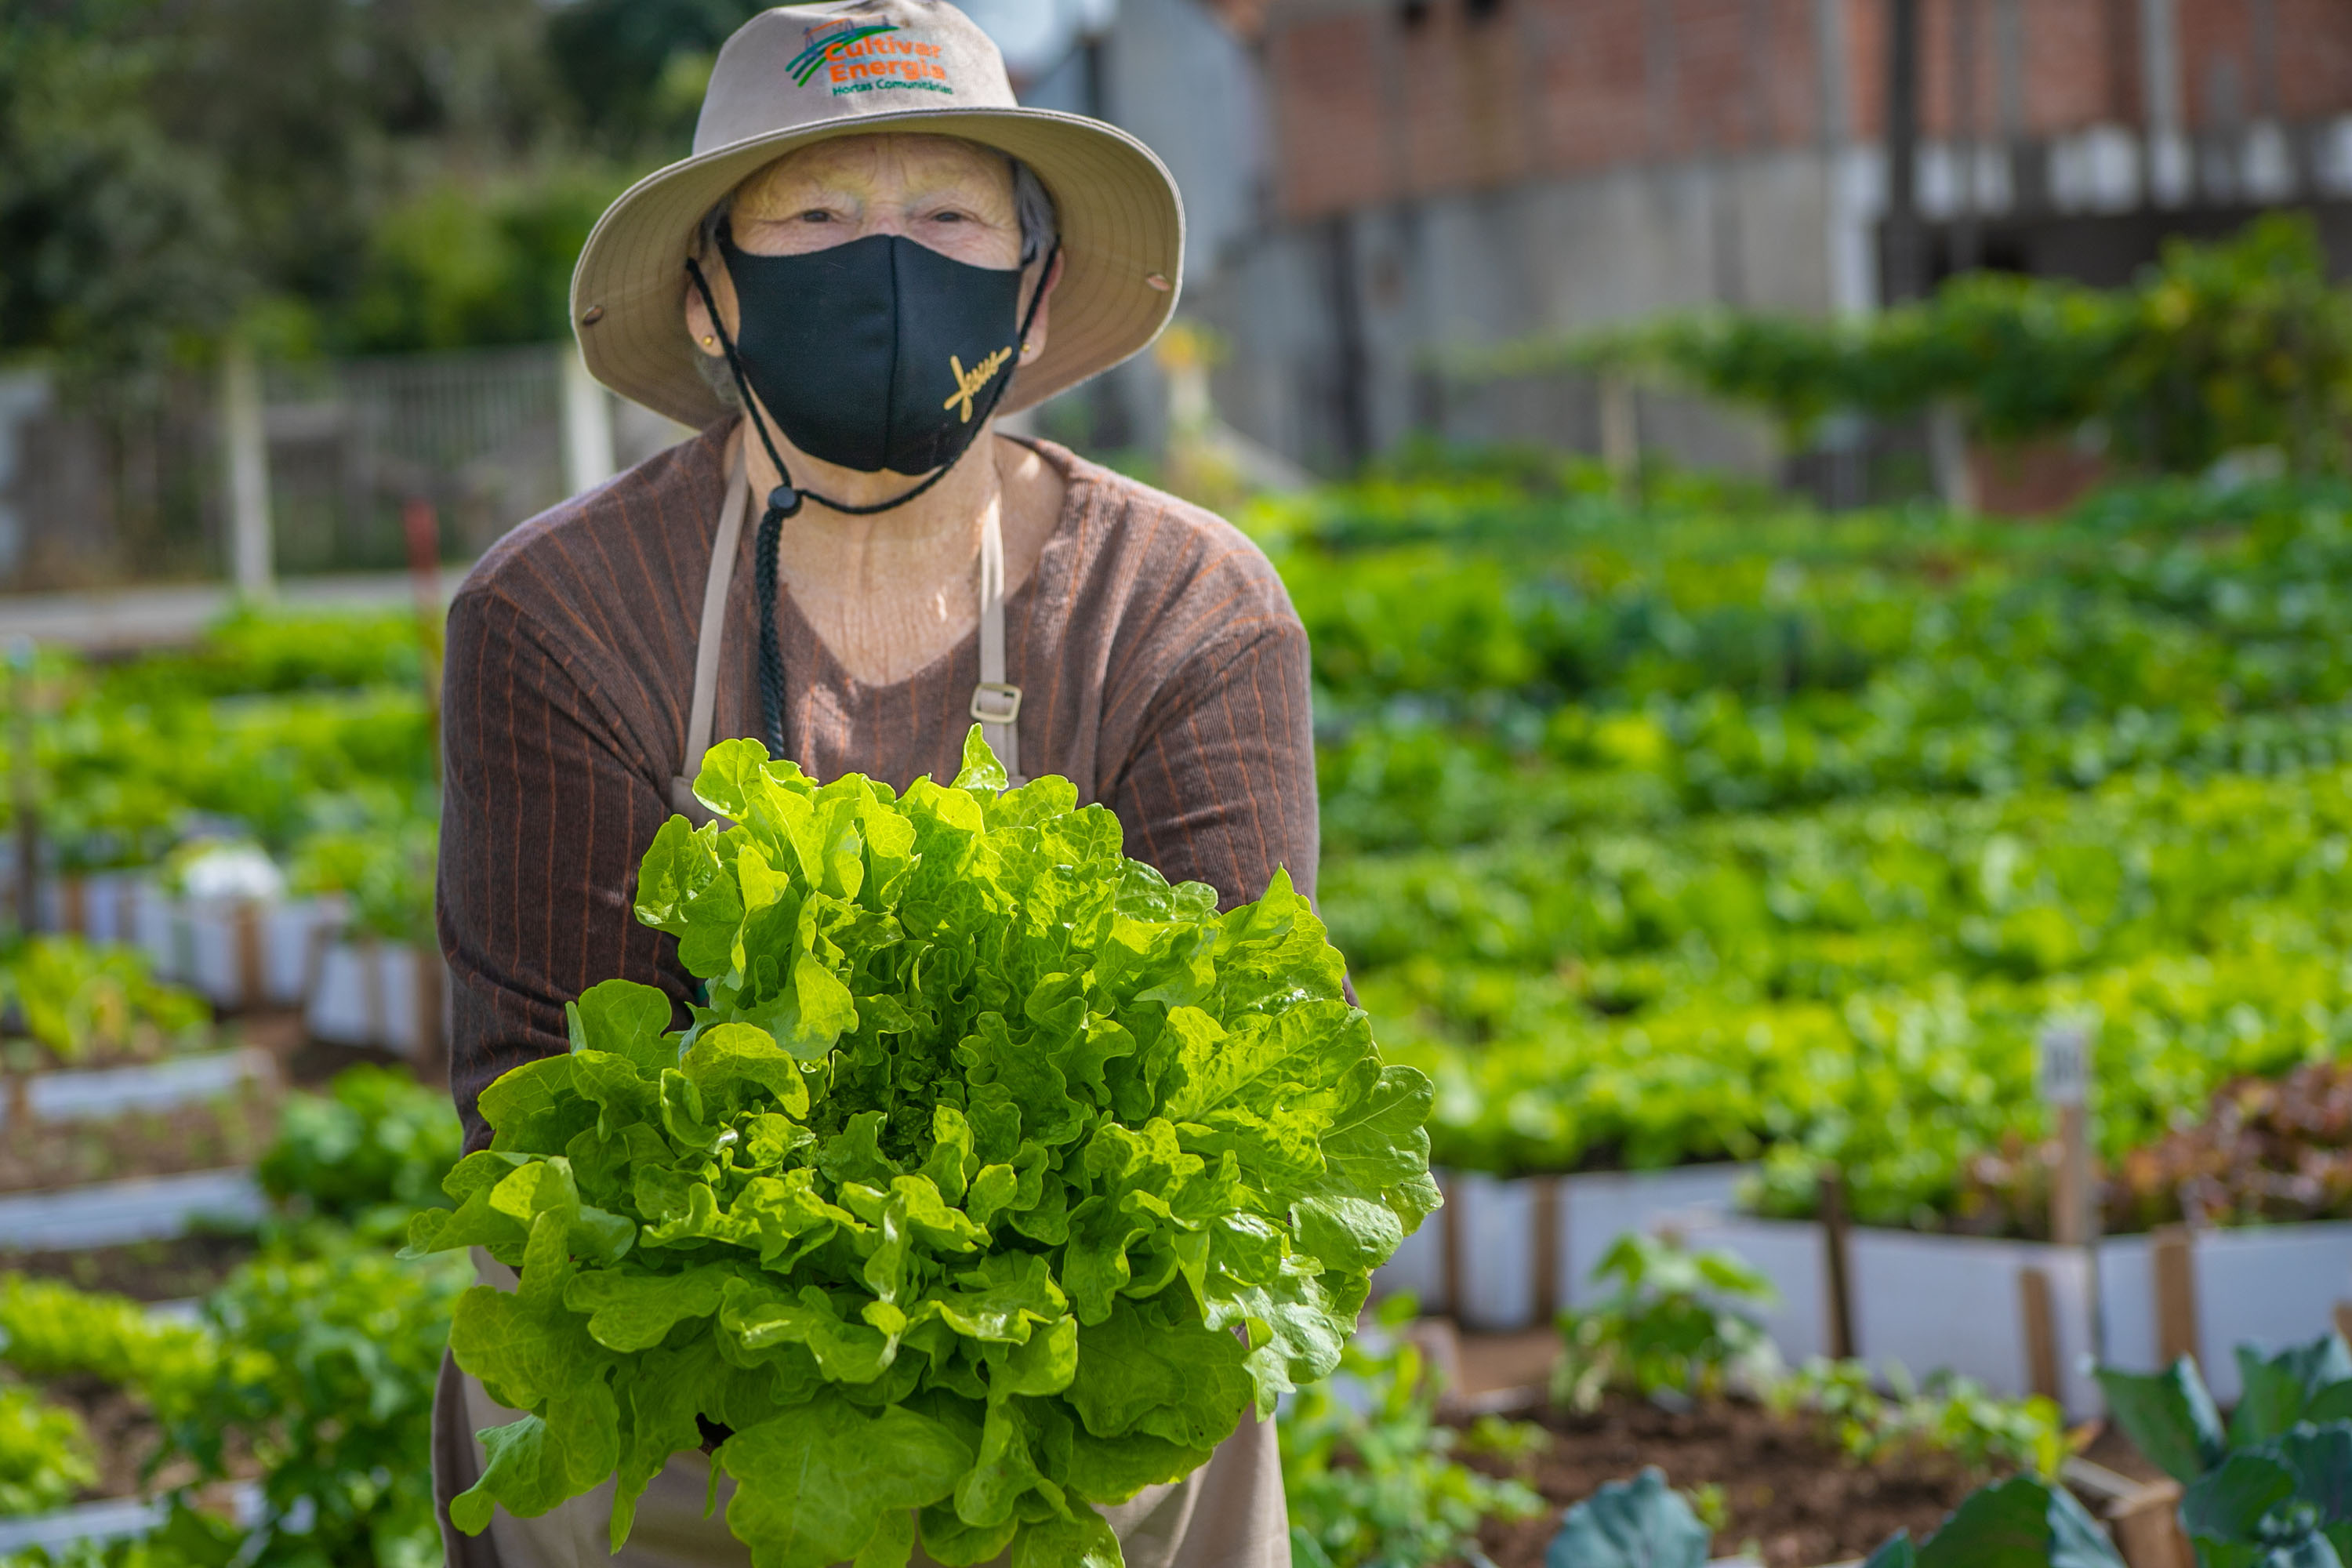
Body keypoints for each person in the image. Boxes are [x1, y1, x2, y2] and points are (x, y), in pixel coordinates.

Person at [427, 3, 1312, 1564]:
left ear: (1032, 295)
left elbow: (1244, 1081)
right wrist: (792, 1304)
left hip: (1076, 1392)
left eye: (949, 217)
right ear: (709, 297)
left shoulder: (1184, 604)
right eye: (819, 216)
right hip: (681, 1385)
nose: (885, 265)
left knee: (1188, 1356)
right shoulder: (557, 616)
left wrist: (997, 1313)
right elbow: (534, 1111)